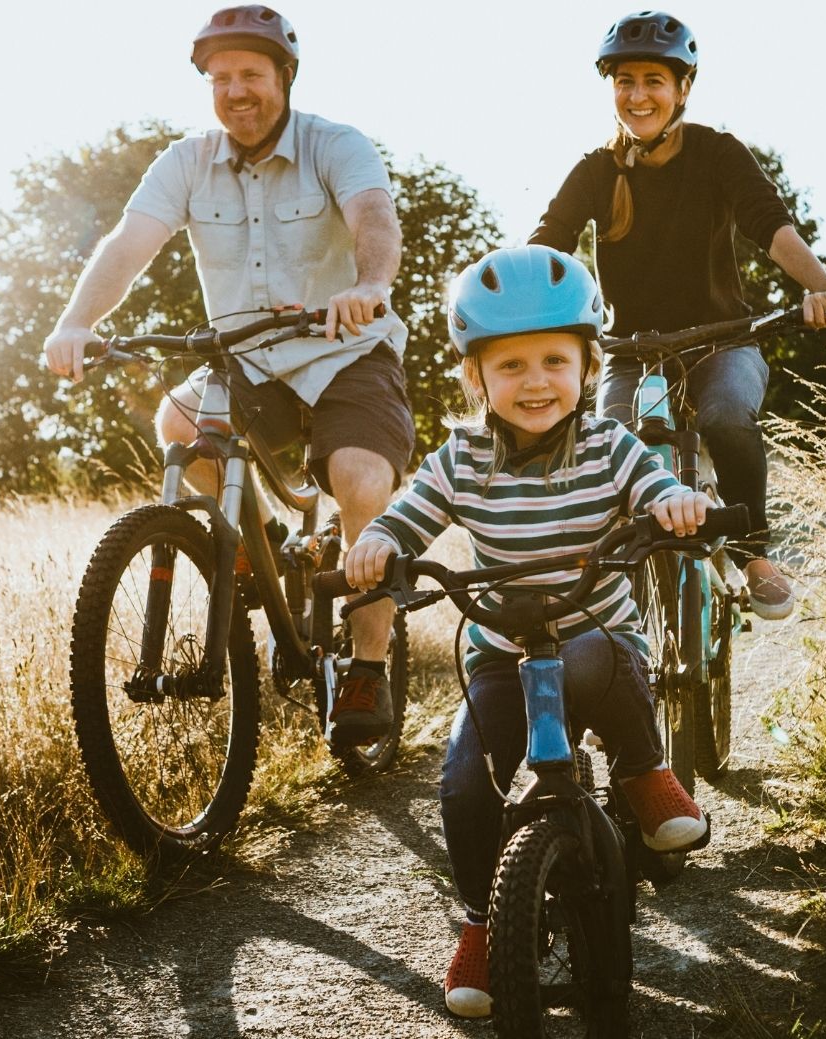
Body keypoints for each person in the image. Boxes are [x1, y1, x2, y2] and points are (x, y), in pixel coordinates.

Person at [342, 245, 711, 1019]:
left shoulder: (610, 445)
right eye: (510, 366)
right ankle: (482, 919)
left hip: (591, 646)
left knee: (600, 651)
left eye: (554, 359)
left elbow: (653, 480)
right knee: (464, 781)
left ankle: (642, 769)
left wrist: (673, 503)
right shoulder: (462, 456)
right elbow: (411, 513)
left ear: (586, 364)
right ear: (476, 377)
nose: (535, 381)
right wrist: (381, 542)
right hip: (502, 658)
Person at [42, 5, 410, 744]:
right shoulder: (186, 162)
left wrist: (368, 284)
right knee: (179, 424)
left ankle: (368, 666)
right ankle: (266, 554)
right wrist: (74, 320)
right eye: (220, 77)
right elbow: (127, 243)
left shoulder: (335, 145)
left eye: (251, 74)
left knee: (361, 485)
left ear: (285, 76)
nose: (235, 90)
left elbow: (374, 215)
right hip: (245, 360)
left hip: (344, 354)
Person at [528, 11, 826, 621]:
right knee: (609, 447)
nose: (638, 95)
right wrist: (520, 310)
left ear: (683, 88)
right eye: (625, 81)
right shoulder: (596, 170)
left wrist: (823, 288)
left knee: (728, 416)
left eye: (654, 80)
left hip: (724, 340)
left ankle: (755, 554)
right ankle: (605, 590)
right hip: (631, 351)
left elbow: (768, 224)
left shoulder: (717, 153)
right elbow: (550, 243)